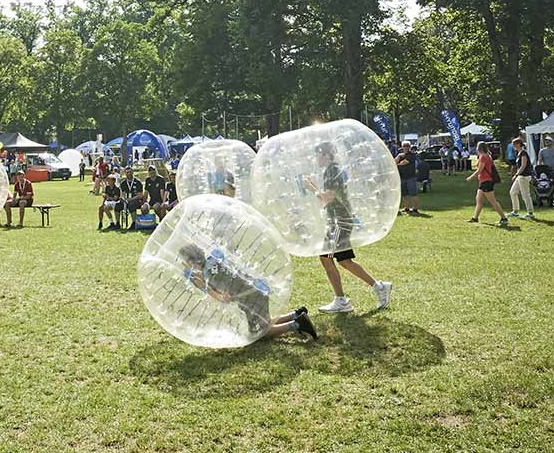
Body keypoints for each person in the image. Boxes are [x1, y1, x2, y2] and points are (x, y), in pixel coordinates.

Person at [310, 144, 394, 314]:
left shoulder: (332, 170)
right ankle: (379, 287)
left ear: (326, 155)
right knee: (343, 260)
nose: (316, 159)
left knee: (326, 257)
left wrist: (310, 187)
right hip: (339, 220)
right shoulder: (332, 169)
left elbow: (328, 197)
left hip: (340, 221)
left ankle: (342, 301)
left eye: (318, 155)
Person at [180, 241, 317, 343]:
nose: (186, 267)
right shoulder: (214, 258)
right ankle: (294, 314)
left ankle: (298, 323)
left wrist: (205, 287)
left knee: (258, 334)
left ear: (193, 263)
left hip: (252, 297)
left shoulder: (210, 277)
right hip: (257, 289)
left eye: (186, 263)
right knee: (264, 322)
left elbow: (224, 299)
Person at [469, 142, 509, 227]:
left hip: (486, 181)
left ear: (479, 148)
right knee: (478, 199)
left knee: (493, 201)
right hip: (483, 181)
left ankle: (504, 218)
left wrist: (471, 177)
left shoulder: (483, 157)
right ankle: (475, 217)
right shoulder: (487, 156)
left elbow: (479, 170)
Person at [507, 137, 537, 221]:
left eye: (514, 144)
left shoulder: (523, 153)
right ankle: (515, 211)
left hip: (524, 176)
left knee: (525, 194)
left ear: (518, 144)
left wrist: (516, 174)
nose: (513, 146)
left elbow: (523, 165)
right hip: (520, 176)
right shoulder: (519, 153)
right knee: (513, 192)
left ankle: (530, 213)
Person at [394, 142, 421, 215]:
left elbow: (404, 162)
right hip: (402, 177)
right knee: (404, 194)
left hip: (410, 177)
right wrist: (399, 156)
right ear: (402, 147)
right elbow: (394, 162)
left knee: (413, 194)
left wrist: (398, 163)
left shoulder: (412, 155)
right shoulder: (400, 155)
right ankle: (406, 208)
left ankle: (415, 209)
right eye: (404, 146)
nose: (406, 147)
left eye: (407, 146)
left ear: (409, 147)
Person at [537, 138, 554, 204]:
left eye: (548, 141)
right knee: (549, 185)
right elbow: (540, 160)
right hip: (547, 171)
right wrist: (540, 169)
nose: (547, 142)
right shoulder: (542, 151)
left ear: (552, 142)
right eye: (546, 141)